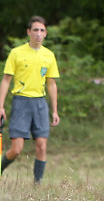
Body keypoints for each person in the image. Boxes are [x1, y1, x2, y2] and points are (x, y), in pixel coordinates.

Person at [0, 16, 60, 184]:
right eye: (35, 30)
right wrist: (1, 106)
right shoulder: (16, 53)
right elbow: (6, 80)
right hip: (21, 102)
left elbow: (52, 84)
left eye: (42, 30)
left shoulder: (49, 55)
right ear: (29, 32)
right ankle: (1, 167)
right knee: (17, 149)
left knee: (41, 145)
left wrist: (54, 110)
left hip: (40, 104)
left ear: (46, 33)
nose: (38, 34)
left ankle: (37, 184)